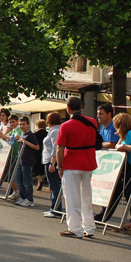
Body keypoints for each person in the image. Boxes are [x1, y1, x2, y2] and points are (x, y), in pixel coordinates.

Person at [56, 96, 97, 238]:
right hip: (88, 163)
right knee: (87, 197)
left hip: (72, 164)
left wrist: (59, 166)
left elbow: (60, 149)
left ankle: (75, 228)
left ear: (68, 109)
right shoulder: (92, 122)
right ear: (81, 107)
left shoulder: (65, 126)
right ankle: (89, 227)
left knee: (72, 198)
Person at [98, 113, 131, 224]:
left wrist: (124, 146)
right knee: (119, 192)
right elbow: (117, 145)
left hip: (129, 167)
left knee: (128, 193)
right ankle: (103, 215)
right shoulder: (123, 135)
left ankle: (104, 215)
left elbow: (122, 146)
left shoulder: (130, 134)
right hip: (124, 168)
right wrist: (120, 146)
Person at [13, 116, 40, 207]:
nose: (21, 126)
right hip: (20, 160)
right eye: (20, 124)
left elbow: (37, 147)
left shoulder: (31, 135)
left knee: (26, 180)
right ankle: (23, 197)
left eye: (23, 124)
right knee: (18, 179)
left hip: (27, 161)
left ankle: (29, 199)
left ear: (28, 124)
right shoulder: (22, 134)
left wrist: (25, 142)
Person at [42, 112, 63, 218]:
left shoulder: (55, 131)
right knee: (53, 185)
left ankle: (56, 209)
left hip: (51, 160)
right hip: (49, 160)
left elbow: (56, 148)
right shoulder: (53, 130)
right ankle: (54, 207)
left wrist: (52, 163)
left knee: (54, 185)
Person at [33, 119, 48, 191]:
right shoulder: (47, 133)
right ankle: (40, 181)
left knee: (36, 168)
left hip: (37, 152)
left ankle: (40, 180)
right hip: (45, 152)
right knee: (42, 168)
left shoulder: (35, 134)